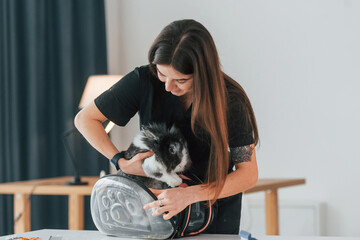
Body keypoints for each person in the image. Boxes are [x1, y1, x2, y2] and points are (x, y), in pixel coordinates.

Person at [75, 19, 259, 234]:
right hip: (156, 211)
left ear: (203, 74)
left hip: (213, 212)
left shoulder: (230, 100)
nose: (168, 87)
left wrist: (190, 195)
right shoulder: (143, 79)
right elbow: (85, 119)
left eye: (180, 80)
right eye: (162, 74)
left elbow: (248, 174)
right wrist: (120, 161)